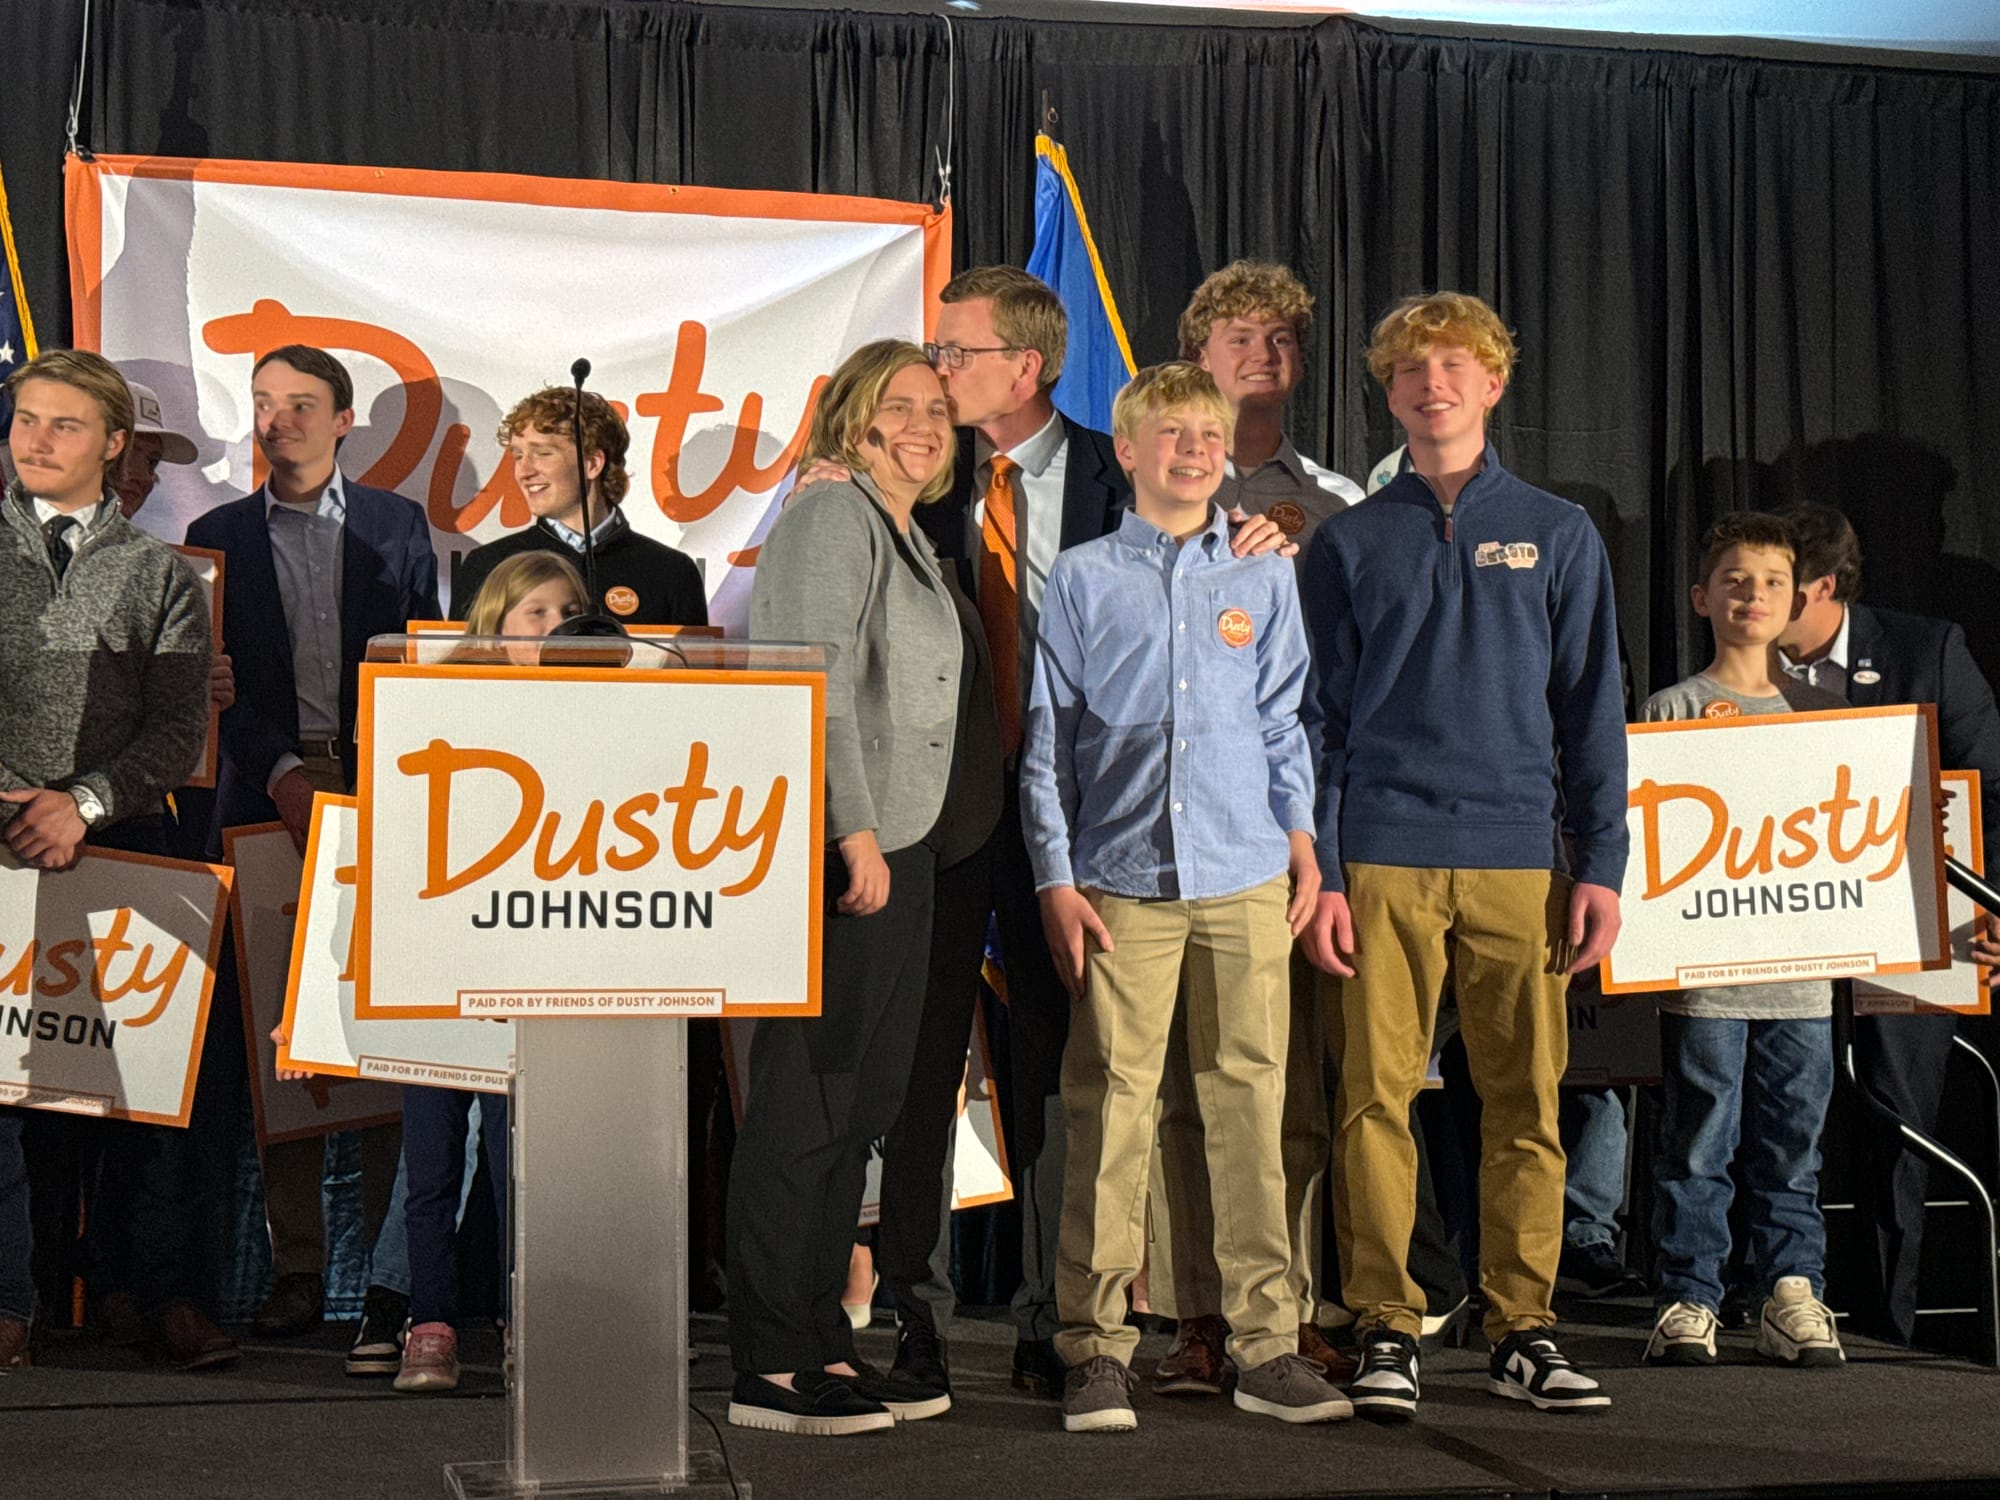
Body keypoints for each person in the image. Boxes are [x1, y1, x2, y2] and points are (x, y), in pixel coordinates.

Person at [1304, 292, 1627, 1418]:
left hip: (1516, 858)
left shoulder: (1556, 528)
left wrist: (1600, 863)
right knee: (1372, 1103)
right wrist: (1329, 874)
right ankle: (1384, 1324)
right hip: (1382, 852)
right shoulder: (1347, 538)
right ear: (1385, 392)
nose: (1430, 383)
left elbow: (1591, 707)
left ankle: (1520, 1326)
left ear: (1493, 383)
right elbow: (1320, 720)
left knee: (1523, 1105)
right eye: (1407, 369)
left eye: (1453, 366)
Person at [1024, 361, 1348, 1433]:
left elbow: (1283, 722)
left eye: (1207, 434)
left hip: (1244, 870)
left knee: (1250, 1102)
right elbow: (1046, 746)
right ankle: (1095, 1347)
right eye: (1169, 433)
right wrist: (1055, 878)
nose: (1193, 449)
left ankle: (1263, 1342)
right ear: (1124, 451)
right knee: (1110, 1109)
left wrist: (1302, 844)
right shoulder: (1077, 577)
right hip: (1118, 879)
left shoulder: (1261, 574)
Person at [726, 340, 965, 1436]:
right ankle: (772, 1359)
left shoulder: (900, 527)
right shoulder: (831, 516)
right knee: (804, 1105)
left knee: (851, 1109)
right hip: (844, 850)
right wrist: (852, 831)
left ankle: (820, 1337)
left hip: (901, 847)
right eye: (896, 407)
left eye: (935, 408)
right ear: (853, 421)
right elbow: (805, 674)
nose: (921, 425)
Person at [184, 344, 437, 1341]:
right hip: (264, 797)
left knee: (380, 1033)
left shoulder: (396, 527)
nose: (275, 419)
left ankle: (381, 1276)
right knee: (281, 1041)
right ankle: (295, 1264)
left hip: (387, 792)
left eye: (299, 404)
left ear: (343, 423)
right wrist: (285, 774)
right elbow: (218, 683)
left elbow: (426, 655)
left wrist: (389, 785)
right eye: (261, 404)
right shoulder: (214, 536)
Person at [1152, 259, 1369, 1390]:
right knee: (1182, 1086)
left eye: (1280, 336)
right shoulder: (1137, 485)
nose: (1261, 353)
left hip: (1285, 815)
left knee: (1282, 1080)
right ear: (1196, 355)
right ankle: (1192, 1316)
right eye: (1237, 335)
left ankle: (1281, 1310)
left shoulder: (1333, 500)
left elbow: (1338, 674)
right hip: (1164, 818)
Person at [1, 348, 223, 1368]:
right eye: (26, 420)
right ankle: (24, 1301)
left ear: (115, 446)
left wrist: (81, 804)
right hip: (0, 838)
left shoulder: (159, 575)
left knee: (134, 1086)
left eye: (65, 425)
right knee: (10, 1089)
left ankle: (147, 1294)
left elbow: (176, 732)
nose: (37, 440)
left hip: (120, 842)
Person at [1776, 502, 2000, 1345]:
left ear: (1822, 587)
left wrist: (1986, 908)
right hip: (1781, 936)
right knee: (1774, 1123)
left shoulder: (1925, 650)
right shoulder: (1739, 670)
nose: (1751, 604)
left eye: (1775, 586)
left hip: (1916, 939)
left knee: (1894, 1127)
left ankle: (1883, 1329)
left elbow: (1992, 792)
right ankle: (1770, 1305)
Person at [1640, 512, 1848, 1367]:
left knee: (1794, 1137)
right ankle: (1691, 1293)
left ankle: (1792, 1289)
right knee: (1700, 1134)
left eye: (1770, 582)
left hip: (1804, 975)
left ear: (1796, 596)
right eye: (1734, 580)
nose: (1753, 595)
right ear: (1701, 598)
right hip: (1708, 977)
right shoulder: (1673, 709)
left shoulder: (1824, 712)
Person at [388, 550, 582, 1392]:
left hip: (533, 973)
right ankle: (428, 1323)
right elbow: (386, 846)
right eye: (533, 614)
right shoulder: (437, 710)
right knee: (429, 1163)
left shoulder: (606, 720)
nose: (551, 629)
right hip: (438, 969)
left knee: (520, 1167)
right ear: (494, 629)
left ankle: (524, 1322)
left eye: (565, 615)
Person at [452, 388, 707, 629]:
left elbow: (693, 672)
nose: (524, 471)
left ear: (593, 464)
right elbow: (455, 670)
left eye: (542, 453)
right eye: (518, 456)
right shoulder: (488, 566)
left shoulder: (670, 572)